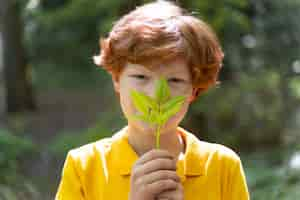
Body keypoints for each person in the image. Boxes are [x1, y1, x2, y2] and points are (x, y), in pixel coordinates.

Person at [55, 0, 250, 199]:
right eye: (141, 77)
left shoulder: (222, 166)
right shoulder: (84, 167)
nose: (156, 95)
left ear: (194, 90)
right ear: (116, 79)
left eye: (174, 80)